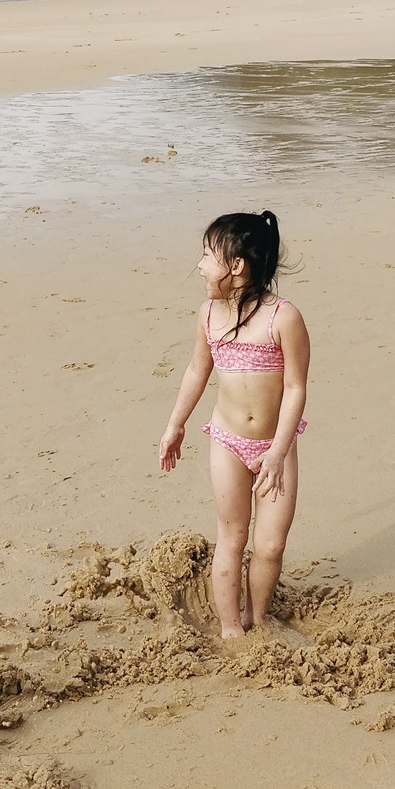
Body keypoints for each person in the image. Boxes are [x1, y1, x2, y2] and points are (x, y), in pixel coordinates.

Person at [158, 211, 310, 639]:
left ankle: (258, 619)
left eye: (208, 255)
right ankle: (230, 629)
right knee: (232, 535)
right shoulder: (209, 314)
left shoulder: (284, 318)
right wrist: (176, 425)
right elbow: (196, 370)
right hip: (226, 441)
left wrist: (278, 451)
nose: (201, 265)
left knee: (270, 545)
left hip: (274, 447)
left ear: (237, 266)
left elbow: (296, 388)